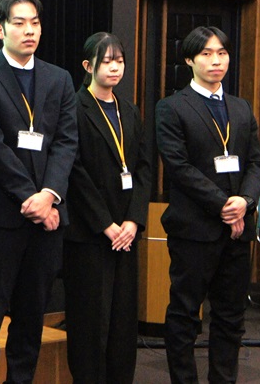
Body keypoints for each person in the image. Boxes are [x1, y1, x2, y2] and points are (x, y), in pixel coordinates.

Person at [0, 0, 78, 384]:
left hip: (46, 221)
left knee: (31, 320)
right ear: (0, 30)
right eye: (19, 23)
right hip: (2, 219)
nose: (30, 31)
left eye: (35, 23)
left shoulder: (59, 79)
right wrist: (29, 195)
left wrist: (49, 196)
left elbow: (66, 142)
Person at [156, 26, 260, 384]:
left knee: (232, 316)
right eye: (205, 54)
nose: (215, 60)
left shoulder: (241, 107)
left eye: (221, 53)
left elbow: (256, 163)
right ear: (189, 59)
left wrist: (245, 202)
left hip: (237, 230)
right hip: (195, 229)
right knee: (185, 315)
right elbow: (179, 167)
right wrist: (223, 205)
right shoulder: (171, 107)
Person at [63, 32, 150, 384]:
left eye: (120, 61)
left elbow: (143, 168)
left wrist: (133, 221)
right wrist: (106, 224)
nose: (115, 68)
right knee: (89, 323)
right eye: (107, 61)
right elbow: (75, 171)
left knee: (123, 321)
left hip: (125, 235)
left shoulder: (129, 110)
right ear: (88, 66)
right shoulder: (74, 107)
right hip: (90, 235)